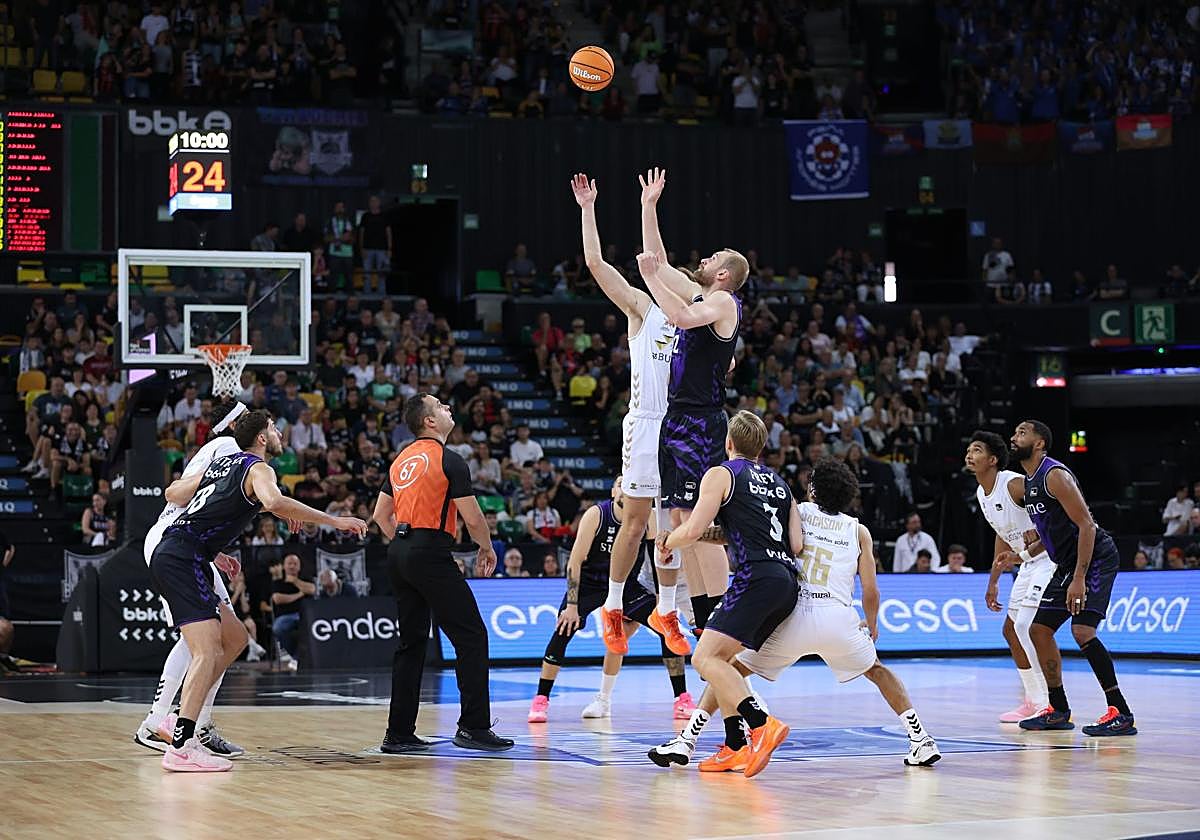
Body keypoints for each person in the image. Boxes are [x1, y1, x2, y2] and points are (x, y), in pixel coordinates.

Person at [649, 457, 941, 772]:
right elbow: (871, 591)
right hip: (837, 619)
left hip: (793, 614)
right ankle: (921, 738)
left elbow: (744, 533)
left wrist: (698, 535)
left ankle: (687, 740)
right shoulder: (860, 531)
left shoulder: (797, 510)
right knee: (878, 672)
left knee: (726, 668)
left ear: (812, 489)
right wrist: (871, 626)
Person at [149, 409, 367, 772]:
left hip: (181, 551)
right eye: (275, 428)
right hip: (182, 556)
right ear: (263, 438)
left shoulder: (222, 463)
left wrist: (216, 550)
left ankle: (179, 716)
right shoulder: (259, 468)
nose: (280, 433)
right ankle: (183, 744)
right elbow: (273, 501)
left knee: (234, 638)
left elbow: (186, 499)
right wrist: (334, 520)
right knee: (206, 649)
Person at [568, 173, 691, 660]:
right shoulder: (642, 308)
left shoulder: (692, 315)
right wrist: (588, 208)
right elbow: (596, 264)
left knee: (674, 521)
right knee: (636, 522)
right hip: (645, 421)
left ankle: (665, 608)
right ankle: (614, 608)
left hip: (681, 426)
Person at [652, 411, 800, 779]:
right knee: (724, 663)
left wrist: (668, 542)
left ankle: (761, 724)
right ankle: (734, 745)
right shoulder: (782, 484)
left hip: (755, 579)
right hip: (786, 583)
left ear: (728, 442)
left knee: (704, 659)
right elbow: (795, 543)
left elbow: (694, 527)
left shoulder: (721, 473)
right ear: (762, 447)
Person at [637, 166, 747, 640]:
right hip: (677, 417)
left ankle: (725, 618)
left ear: (722, 274)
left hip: (701, 422)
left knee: (701, 527)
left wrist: (650, 279)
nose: (703, 258)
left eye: (712, 257)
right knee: (681, 520)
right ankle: (702, 619)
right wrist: (649, 206)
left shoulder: (723, 303)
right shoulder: (705, 292)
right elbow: (658, 264)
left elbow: (679, 315)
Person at [371, 394, 514, 754]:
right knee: (472, 636)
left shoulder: (401, 459)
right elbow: (474, 517)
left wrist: (405, 545)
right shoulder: (449, 460)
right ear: (430, 422)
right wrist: (485, 547)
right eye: (441, 406)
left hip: (399, 551)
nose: (448, 408)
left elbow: (380, 516)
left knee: (412, 643)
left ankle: (399, 732)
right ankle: (473, 726)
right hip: (430, 552)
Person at [134, 401, 252, 757]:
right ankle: (158, 723)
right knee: (200, 637)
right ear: (234, 426)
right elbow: (179, 493)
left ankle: (196, 723)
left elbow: (200, 505)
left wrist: (213, 551)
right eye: (246, 419)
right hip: (174, 543)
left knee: (232, 637)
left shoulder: (221, 449)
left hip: (187, 541)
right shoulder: (227, 447)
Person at [527, 477, 694, 723]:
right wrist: (572, 606)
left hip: (626, 585)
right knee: (564, 628)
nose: (626, 487)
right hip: (590, 584)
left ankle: (681, 698)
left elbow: (657, 559)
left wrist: (662, 602)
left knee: (664, 630)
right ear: (614, 490)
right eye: (620, 483)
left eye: (630, 483)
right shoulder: (596, 514)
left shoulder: (647, 517)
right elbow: (575, 562)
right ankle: (541, 699)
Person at [1010, 421, 1136, 736]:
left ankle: (1120, 711)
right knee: (1039, 630)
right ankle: (1058, 709)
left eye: (1022, 433)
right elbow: (1056, 527)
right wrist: (1033, 542)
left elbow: (1087, 527)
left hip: (1094, 558)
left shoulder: (1054, 476)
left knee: (1082, 630)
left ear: (1039, 443)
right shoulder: (1028, 483)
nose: (1014, 437)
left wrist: (1079, 577)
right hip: (1067, 562)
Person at [965, 431, 1053, 723]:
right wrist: (993, 580)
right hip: (1025, 563)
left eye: (976, 450)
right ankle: (1034, 700)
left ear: (992, 460)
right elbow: (1002, 537)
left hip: (1047, 559)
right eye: (969, 449)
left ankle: (1051, 701)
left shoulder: (1014, 483)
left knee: (1028, 627)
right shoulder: (981, 493)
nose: (969, 454)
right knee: (1011, 630)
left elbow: (1053, 511)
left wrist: (1040, 532)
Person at [271, 553, 313, 665]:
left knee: (310, 628)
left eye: (295, 564)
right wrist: (299, 595)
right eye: (289, 563)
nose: (292, 566)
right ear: (284, 566)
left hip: (305, 615)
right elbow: (277, 599)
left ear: (299, 566)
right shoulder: (278, 582)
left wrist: (295, 581)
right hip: (286, 615)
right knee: (278, 627)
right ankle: (292, 654)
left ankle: (295, 658)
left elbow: (312, 589)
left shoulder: (306, 579)